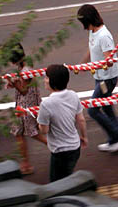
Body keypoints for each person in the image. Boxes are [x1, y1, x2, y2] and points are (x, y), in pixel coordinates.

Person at [77, 4, 118, 152]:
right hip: (100, 77)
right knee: (107, 107)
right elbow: (91, 48)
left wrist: (92, 66)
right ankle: (117, 137)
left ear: (88, 21)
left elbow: (108, 61)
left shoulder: (104, 35)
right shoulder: (93, 31)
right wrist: (82, 64)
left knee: (93, 110)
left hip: (107, 79)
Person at [37, 64, 88, 182]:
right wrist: (84, 137)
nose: (44, 80)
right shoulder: (73, 95)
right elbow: (81, 119)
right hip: (75, 147)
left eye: (46, 77)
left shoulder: (46, 104)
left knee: (58, 184)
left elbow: (44, 130)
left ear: (52, 81)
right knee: (67, 175)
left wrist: (39, 122)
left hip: (60, 151)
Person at [7, 43, 47, 175]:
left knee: (32, 133)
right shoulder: (23, 66)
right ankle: (26, 164)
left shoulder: (25, 70)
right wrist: (14, 83)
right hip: (24, 105)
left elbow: (24, 90)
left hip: (26, 107)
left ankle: (57, 148)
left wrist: (14, 83)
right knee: (21, 133)